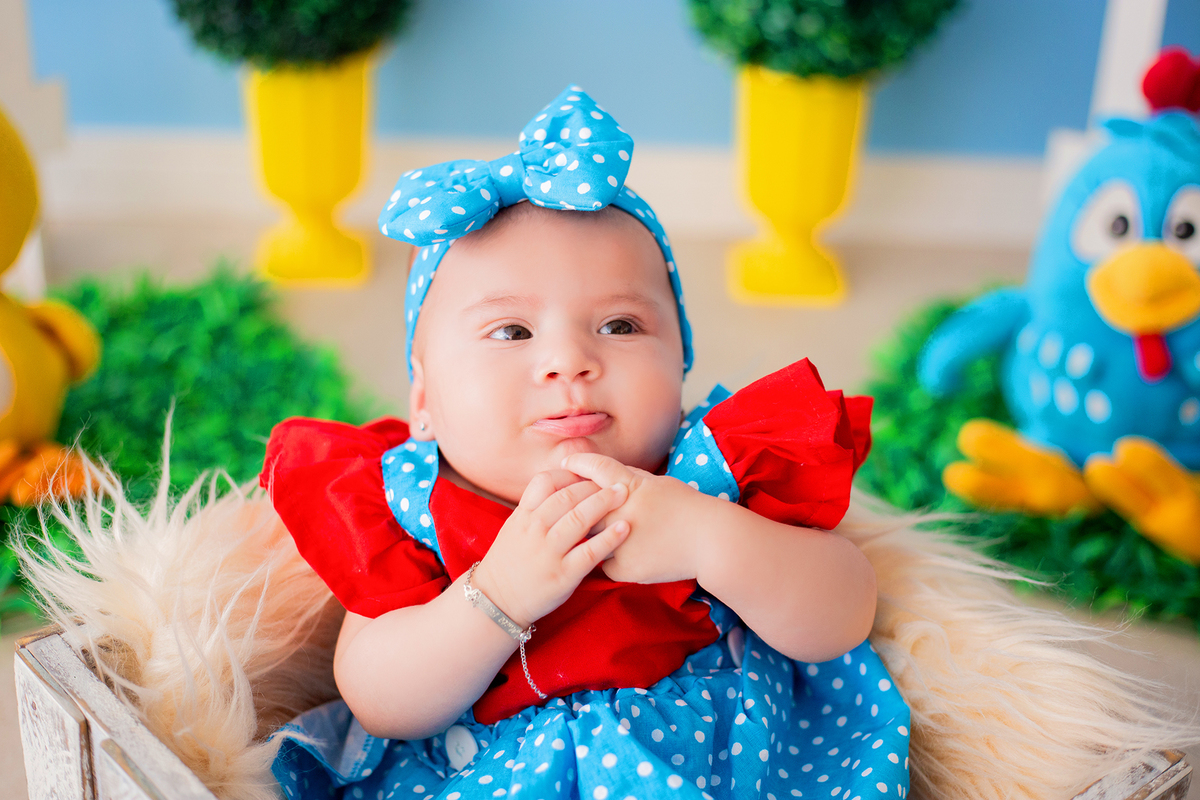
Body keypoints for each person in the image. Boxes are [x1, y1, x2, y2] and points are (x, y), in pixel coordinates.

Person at [264, 87, 911, 800]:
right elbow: (379, 694)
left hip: (723, 768)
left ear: (681, 361)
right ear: (423, 401)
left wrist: (710, 540)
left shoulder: (711, 470)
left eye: (620, 327)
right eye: (511, 332)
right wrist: (494, 598)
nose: (568, 361)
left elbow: (843, 613)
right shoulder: (416, 505)